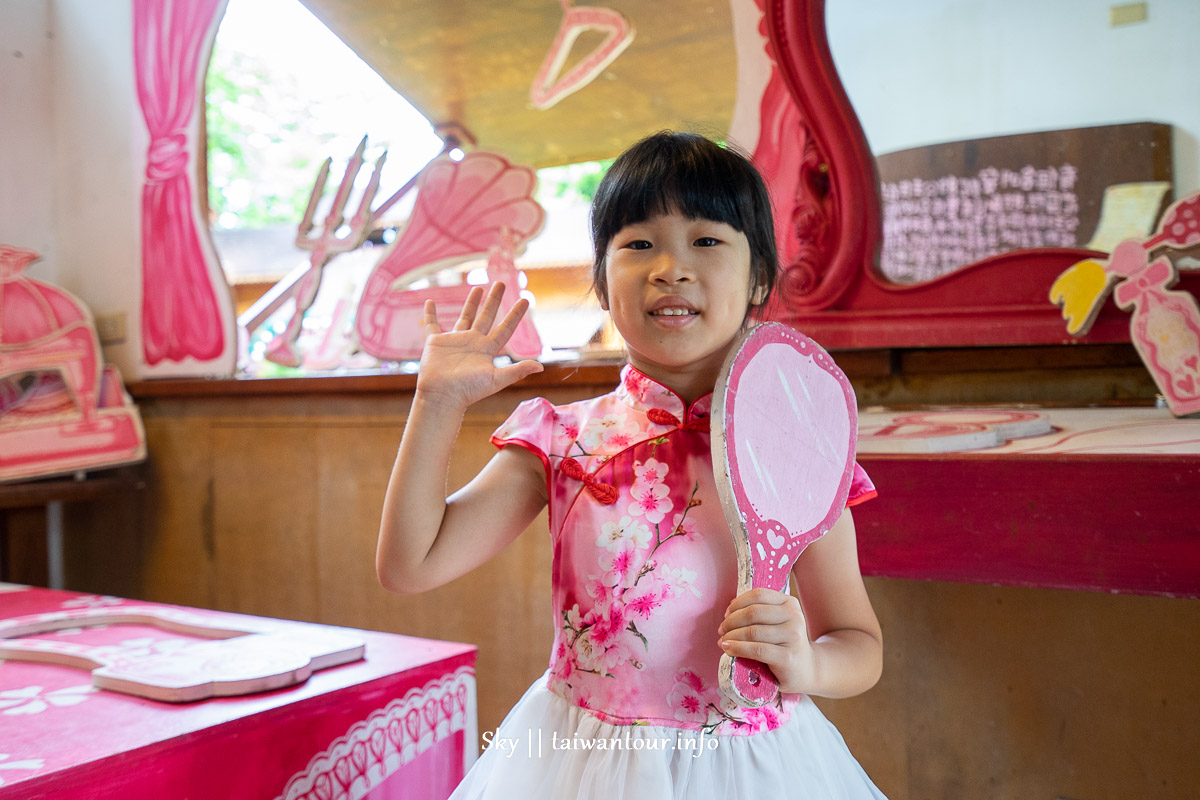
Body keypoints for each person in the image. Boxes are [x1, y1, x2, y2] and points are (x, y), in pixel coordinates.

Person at [377, 131, 887, 799]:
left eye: (706, 241)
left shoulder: (797, 447)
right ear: (601, 278)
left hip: (759, 769)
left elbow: (858, 643)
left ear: (759, 275)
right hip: (581, 767)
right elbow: (410, 566)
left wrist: (809, 663)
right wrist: (436, 404)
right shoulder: (561, 439)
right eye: (639, 243)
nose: (670, 267)